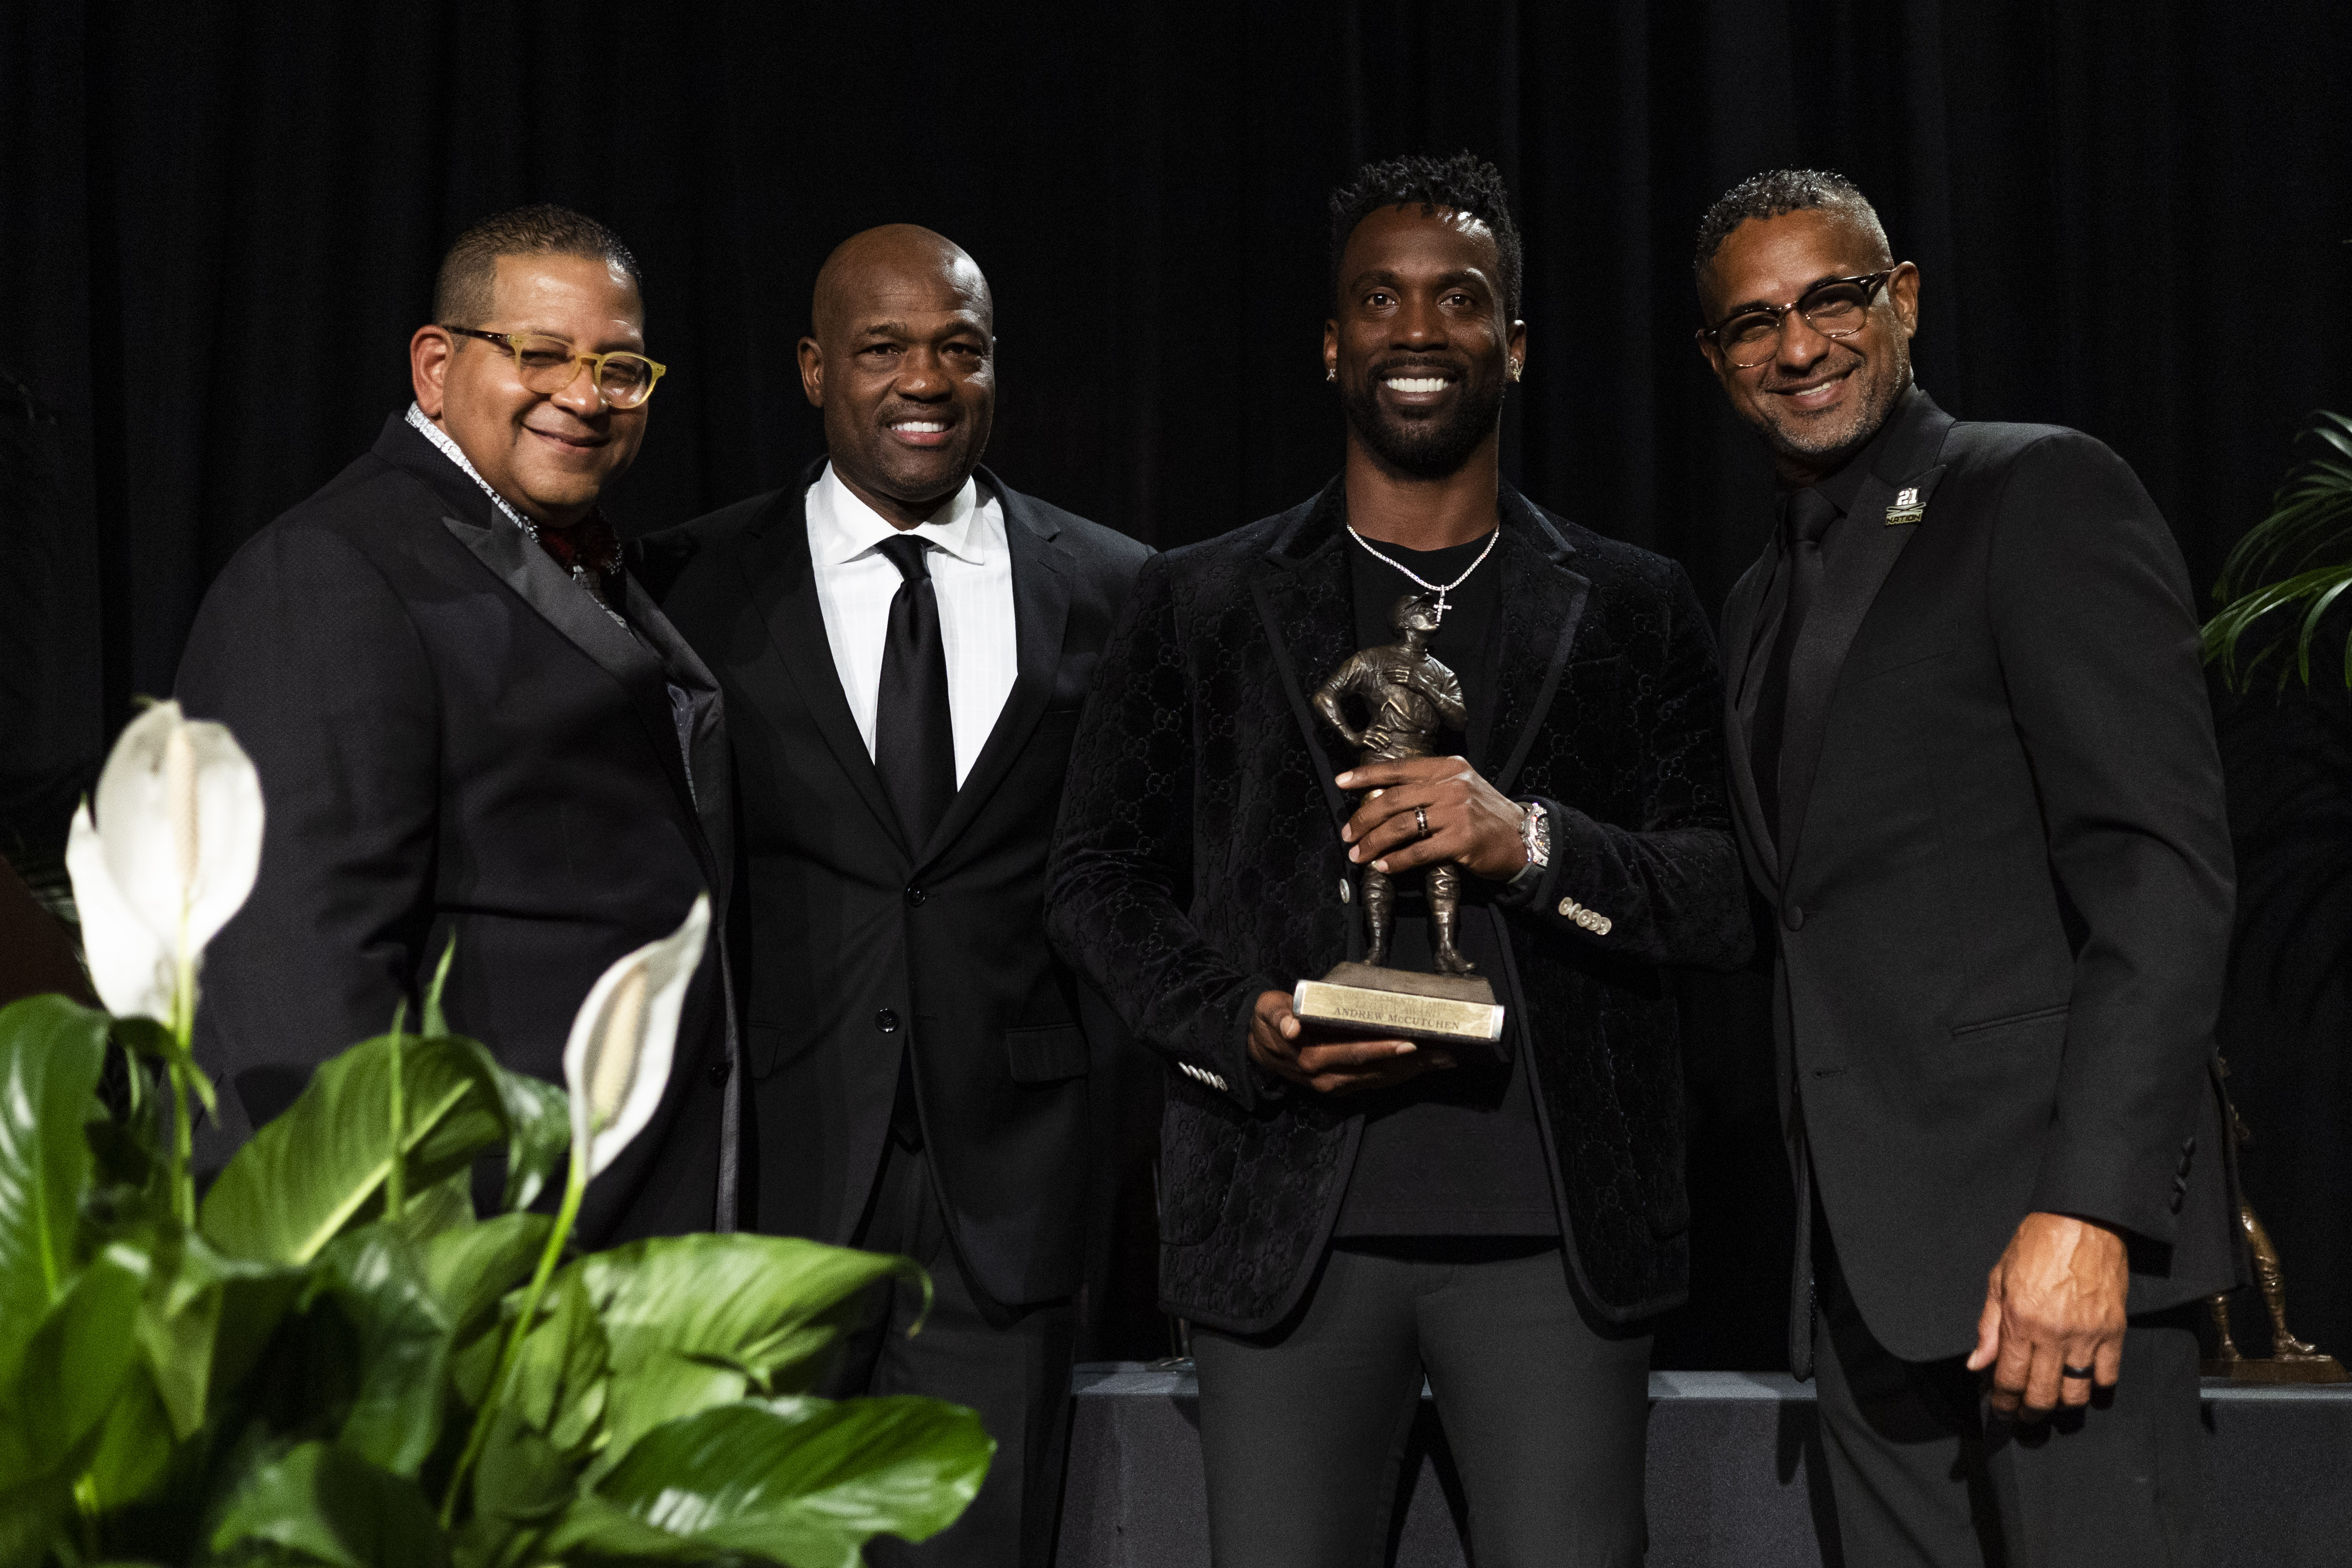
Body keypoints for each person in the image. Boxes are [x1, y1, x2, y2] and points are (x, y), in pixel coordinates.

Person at [1047, 153, 1750, 1568]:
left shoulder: (1631, 602)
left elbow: (1726, 891)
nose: (1418, 330)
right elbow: (1096, 879)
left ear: (1517, 344)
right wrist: (1236, 1027)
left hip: (1560, 1237)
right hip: (1284, 1224)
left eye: (1460, 299)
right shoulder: (1204, 597)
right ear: (1331, 342)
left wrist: (1532, 841)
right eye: (1380, 298)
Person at [1693, 168, 2242, 1566]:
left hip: (2050, 1255)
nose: (1798, 346)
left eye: (1833, 298)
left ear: (1907, 299)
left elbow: (2160, 875)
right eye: (1754, 324)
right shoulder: (1757, 597)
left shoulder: (2037, 489)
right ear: (1716, 360)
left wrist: (2093, 1207)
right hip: (1869, 1288)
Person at [642, 225, 1149, 1568]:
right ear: (816, 370)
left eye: (959, 348)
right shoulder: (683, 582)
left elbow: (1149, 877)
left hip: (1013, 1200)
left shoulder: (1118, 588)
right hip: (768, 1190)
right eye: (882, 347)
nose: (925, 377)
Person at [176, 204, 735, 1247]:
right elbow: (293, 967)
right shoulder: (331, 573)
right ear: (435, 366)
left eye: (622, 368)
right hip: (466, 1245)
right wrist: (398, 1266)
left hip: (614, 1224)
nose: (586, 395)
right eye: (541, 354)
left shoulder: (581, 557)